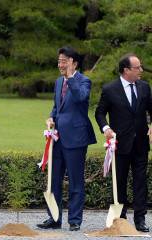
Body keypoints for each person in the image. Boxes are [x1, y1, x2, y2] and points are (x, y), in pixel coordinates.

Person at [37, 47, 96, 231]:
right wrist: (51, 118)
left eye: (64, 61)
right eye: (59, 61)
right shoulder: (57, 82)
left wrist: (70, 78)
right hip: (57, 139)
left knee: (75, 180)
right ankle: (54, 218)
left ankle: (75, 220)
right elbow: (57, 107)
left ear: (74, 63)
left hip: (76, 138)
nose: (60, 65)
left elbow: (80, 97)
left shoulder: (84, 81)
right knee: (53, 180)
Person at [95, 53, 151, 232]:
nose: (141, 70)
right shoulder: (110, 89)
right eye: (137, 68)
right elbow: (100, 113)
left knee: (140, 181)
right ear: (126, 70)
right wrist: (106, 128)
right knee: (119, 181)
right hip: (120, 144)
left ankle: (140, 219)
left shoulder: (144, 87)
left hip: (141, 143)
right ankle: (121, 219)